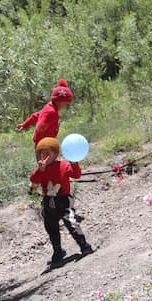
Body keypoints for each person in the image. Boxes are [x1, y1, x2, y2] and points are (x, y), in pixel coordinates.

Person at [29, 137, 93, 266]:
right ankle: (58, 251)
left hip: (64, 199)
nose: (43, 156)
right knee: (50, 227)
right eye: (40, 153)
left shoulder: (63, 165)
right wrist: (40, 170)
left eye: (47, 153)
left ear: (56, 154)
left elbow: (76, 175)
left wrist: (74, 163)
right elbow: (34, 180)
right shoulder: (41, 169)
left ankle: (84, 245)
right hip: (48, 201)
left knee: (70, 221)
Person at [15, 79, 73, 147]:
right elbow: (40, 128)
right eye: (65, 103)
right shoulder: (52, 112)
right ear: (59, 101)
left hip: (47, 143)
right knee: (46, 158)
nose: (65, 106)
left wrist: (24, 124)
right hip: (45, 146)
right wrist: (39, 146)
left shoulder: (48, 107)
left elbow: (36, 116)